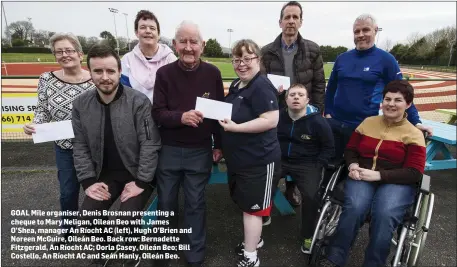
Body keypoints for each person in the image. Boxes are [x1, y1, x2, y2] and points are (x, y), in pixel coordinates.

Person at [318, 80, 427, 267]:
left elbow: (414, 172)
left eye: (398, 100)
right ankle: (335, 257)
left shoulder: (414, 134)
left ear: (408, 104)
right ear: (382, 101)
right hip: (361, 175)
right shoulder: (368, 123)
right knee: (354, 208)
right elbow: (350, 150)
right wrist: (352, 165)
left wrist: (378, 176)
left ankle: (374, 263)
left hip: (396, 182)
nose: (391, 104)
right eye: (387, 99)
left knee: (384, 214)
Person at [72, 44, 161, 267]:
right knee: (88, 216)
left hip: (136, 174)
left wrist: (141, 181)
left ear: (120, 72)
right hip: (104, 176)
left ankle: (132, 249)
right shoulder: (81, 105)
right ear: (89, 72)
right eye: (98, 71)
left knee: (127, 217)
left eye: (110, 71)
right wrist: (89, 182)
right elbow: (80, 145)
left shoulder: (139, 102)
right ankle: (105, 249)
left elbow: (150, 144)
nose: (105, 77)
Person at [151, 20, 224, 267]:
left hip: (199, 149)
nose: (189, 47)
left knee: (195, 202)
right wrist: (181, 117)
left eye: (194, 42)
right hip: (169, 149)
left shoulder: (213, 73)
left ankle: (194, 252)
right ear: (174, 44)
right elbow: (158, 113)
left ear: (202, 45)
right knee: (166, 201)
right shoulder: (164, 74)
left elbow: (218, 114)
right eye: (183, 41)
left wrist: (219, 145)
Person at [324, 13, 433, 160]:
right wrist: (329, 113)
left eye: (365, 30)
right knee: (330, 166)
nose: (361, 35)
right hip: (336, 124)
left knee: (355, 169)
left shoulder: (386, 60)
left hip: (365, 128)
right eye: (357, 31)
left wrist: (416, 122)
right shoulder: (342, 58)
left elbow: (403, 94)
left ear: (375, 31)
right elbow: (330, 89)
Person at [22, 32, 95, 244]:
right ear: (54, 55)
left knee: (96, 192)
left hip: (93, 148)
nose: (65, 54)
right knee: (67, 192)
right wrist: (35, 125)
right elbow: (42, 110)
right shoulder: (46, 79)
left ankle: (96, 229)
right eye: (59, 51)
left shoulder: (94, 79)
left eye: (69, 50)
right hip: (64, 147)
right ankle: (68, 230)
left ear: (80, 54)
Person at [220, 39, 281, 267]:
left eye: (247, 58)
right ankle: (253, 242)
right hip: (241, 159)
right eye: (237, 59)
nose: (241, 64)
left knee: (253, 210)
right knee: (246, 205)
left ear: (258, 60)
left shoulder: (262, 86)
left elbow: (270, 120)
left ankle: (251, 256)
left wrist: (235, 128)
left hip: (259, 160)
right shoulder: (237, 84)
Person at [260, 1, 326, 206]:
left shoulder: (313, 50)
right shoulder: (267, 51)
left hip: (303, 111)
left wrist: (318, 111)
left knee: (301, 149)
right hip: (278, 109)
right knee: (278, 148)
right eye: (287, 17)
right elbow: (261, 83)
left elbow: (318, 84)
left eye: (295, 17)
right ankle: (267, 191)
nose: (291, 21)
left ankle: (292, 187)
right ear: (280, 22)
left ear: (301, 22)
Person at [276, 84, 334, 253]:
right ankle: (261, 217)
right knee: (262, 182)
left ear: (307, 100)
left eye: (300, 95)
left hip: (307, 164)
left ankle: (308, 234)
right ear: (286, 99)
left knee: (310, 195)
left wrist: (318, 164)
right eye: (292, 94)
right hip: (281, 160)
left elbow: (328, 147)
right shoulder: (278, 117)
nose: (296, 97)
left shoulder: (318, 121)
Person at [120, 10, 177, 102]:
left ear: (158, 34)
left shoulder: (170, 59)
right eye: (143, 27)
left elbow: (175, 91)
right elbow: (125, 93)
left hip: (164, 113)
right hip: (136, 113)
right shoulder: (127, 59)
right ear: (136, 32)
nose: (148, 31)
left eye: (152, 28)